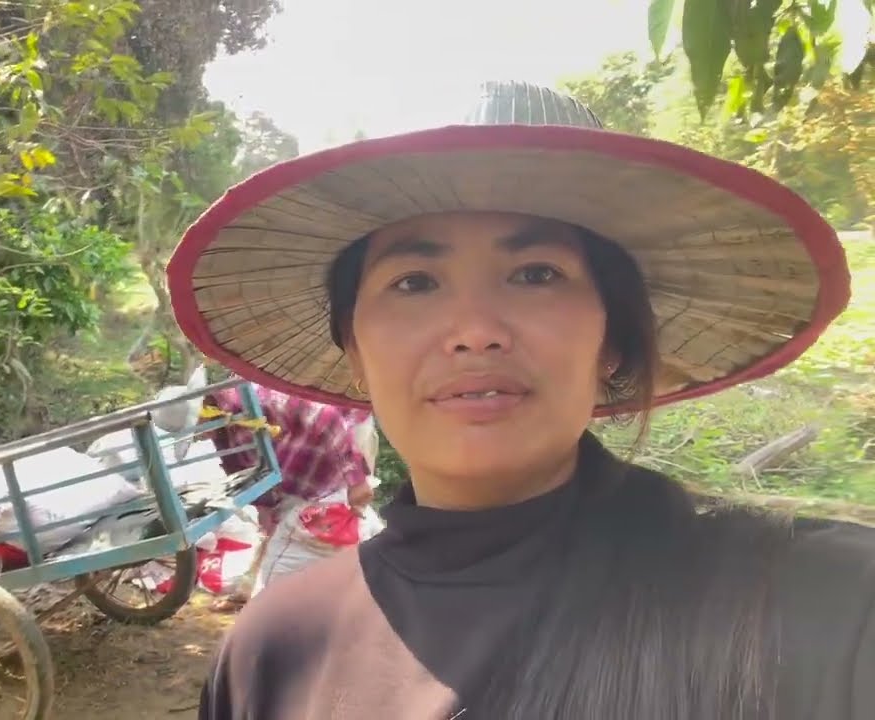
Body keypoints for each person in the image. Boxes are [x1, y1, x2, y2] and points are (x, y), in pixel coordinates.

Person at [166, 80, 870, 719]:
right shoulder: (273, 652)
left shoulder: (821, 608)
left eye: (536, 274)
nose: (475, 331)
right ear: (354, 352)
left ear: (612, 338)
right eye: (414, 282)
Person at [201, 381, 375, 609]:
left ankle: (372, 588)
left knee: (345, 516)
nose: (198, 438)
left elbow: (327, 417)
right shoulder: (221, 432)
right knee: (282, 531)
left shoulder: (261, 397)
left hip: (342, 438)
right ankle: (250, 593)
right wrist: (264, 506)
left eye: (197, 429)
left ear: (206, 410)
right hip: (295, 466)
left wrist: (355, 479)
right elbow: (242, 470)